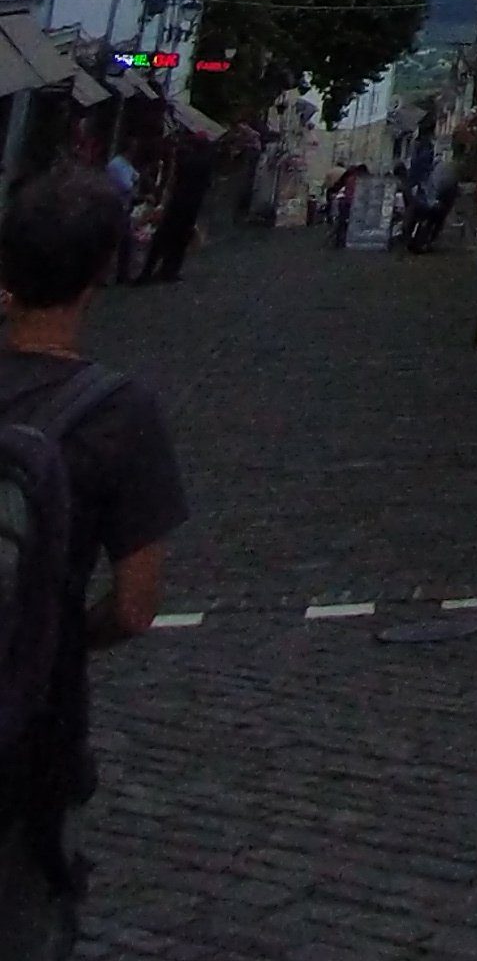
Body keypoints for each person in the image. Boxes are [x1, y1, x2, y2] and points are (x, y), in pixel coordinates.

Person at [0, 169, 189, 957]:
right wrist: (52, 631)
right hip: (32, 728)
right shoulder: (119, 411)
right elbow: (136, 606)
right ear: (98, 276)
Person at [140, 133, 218, 286]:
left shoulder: (185, 160)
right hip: (192, 206)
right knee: (180, 240)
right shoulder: (206, 162)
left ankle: (148, 271)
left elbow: (174, 179)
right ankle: (170, 270)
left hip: (177, 203)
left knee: (162, 237)